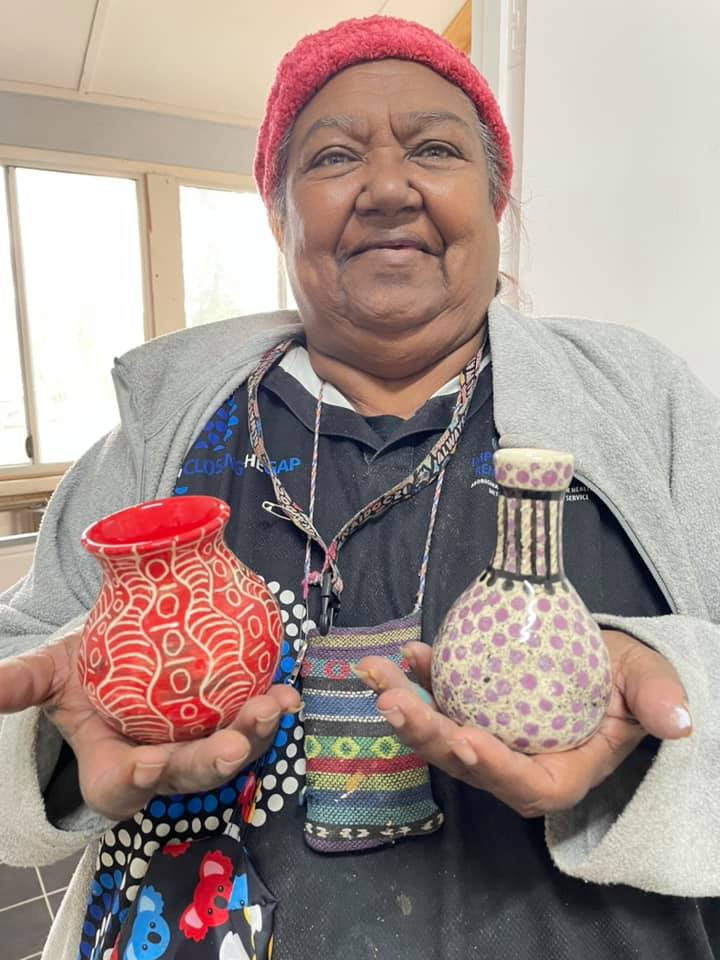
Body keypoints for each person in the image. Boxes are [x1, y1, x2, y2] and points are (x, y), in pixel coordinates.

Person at [0, 14, 718, 960]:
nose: (387, 188)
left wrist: (662, 682)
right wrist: (58, 740)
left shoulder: (642, 403)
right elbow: (26, 666)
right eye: (334, 157)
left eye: (434, 148)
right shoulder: (159, 435)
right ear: (276, 215)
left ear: (497, 202)